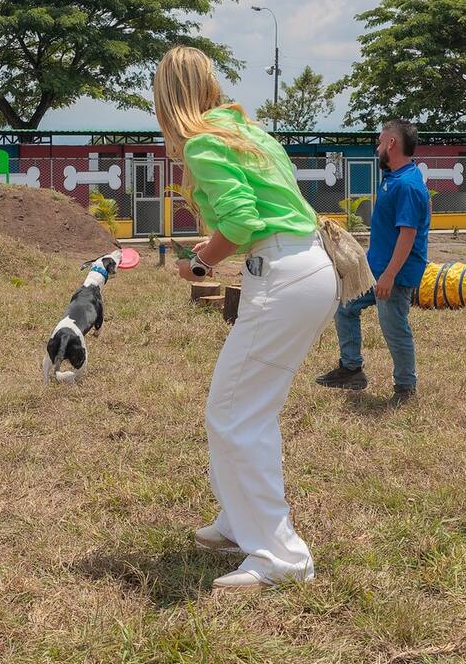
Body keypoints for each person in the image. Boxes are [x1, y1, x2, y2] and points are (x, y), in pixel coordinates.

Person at [154, 45, 339, 594]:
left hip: (282, 275)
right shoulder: (246, 132)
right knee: (245, 411)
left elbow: (240, 220)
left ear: (166, 96)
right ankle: (240, 523)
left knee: (234, 414)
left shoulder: (205, 143)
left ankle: (281, 556)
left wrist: (200, 260)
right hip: (307, 267)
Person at [316, 119, 429, 404]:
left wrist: (390, 276)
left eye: (380, 141)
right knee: (345, 307)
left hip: (395, 274)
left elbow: (408, 235)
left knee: (394, 328)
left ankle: (406, 388)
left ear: (391, 144)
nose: (377, 147)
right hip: (374, 269)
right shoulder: (393, 178)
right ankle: (351, 369)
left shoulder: (408, 186)